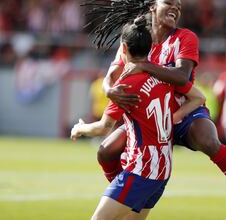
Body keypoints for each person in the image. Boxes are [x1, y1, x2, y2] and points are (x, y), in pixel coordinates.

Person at [85, 0, 226, 219]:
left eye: (179, 7)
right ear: (153, 6)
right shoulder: (136, 37)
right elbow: (113, 71)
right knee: (105, 150)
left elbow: (181, 76)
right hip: (154, 117)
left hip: (185, 112)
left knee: (209, 141)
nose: (175, 10)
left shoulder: (185, 37)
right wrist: (110, 90)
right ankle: (124, 194)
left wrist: (144, 66)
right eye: (169, 4)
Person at [71, 17, 206, 220]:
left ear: (123, 48)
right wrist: (174, 117)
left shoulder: (128, 84)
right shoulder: (164, 74)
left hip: (141, 169)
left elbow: (103, 127)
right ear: (150, 47)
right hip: (163, 169)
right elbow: (199, 97)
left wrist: (80, 128)